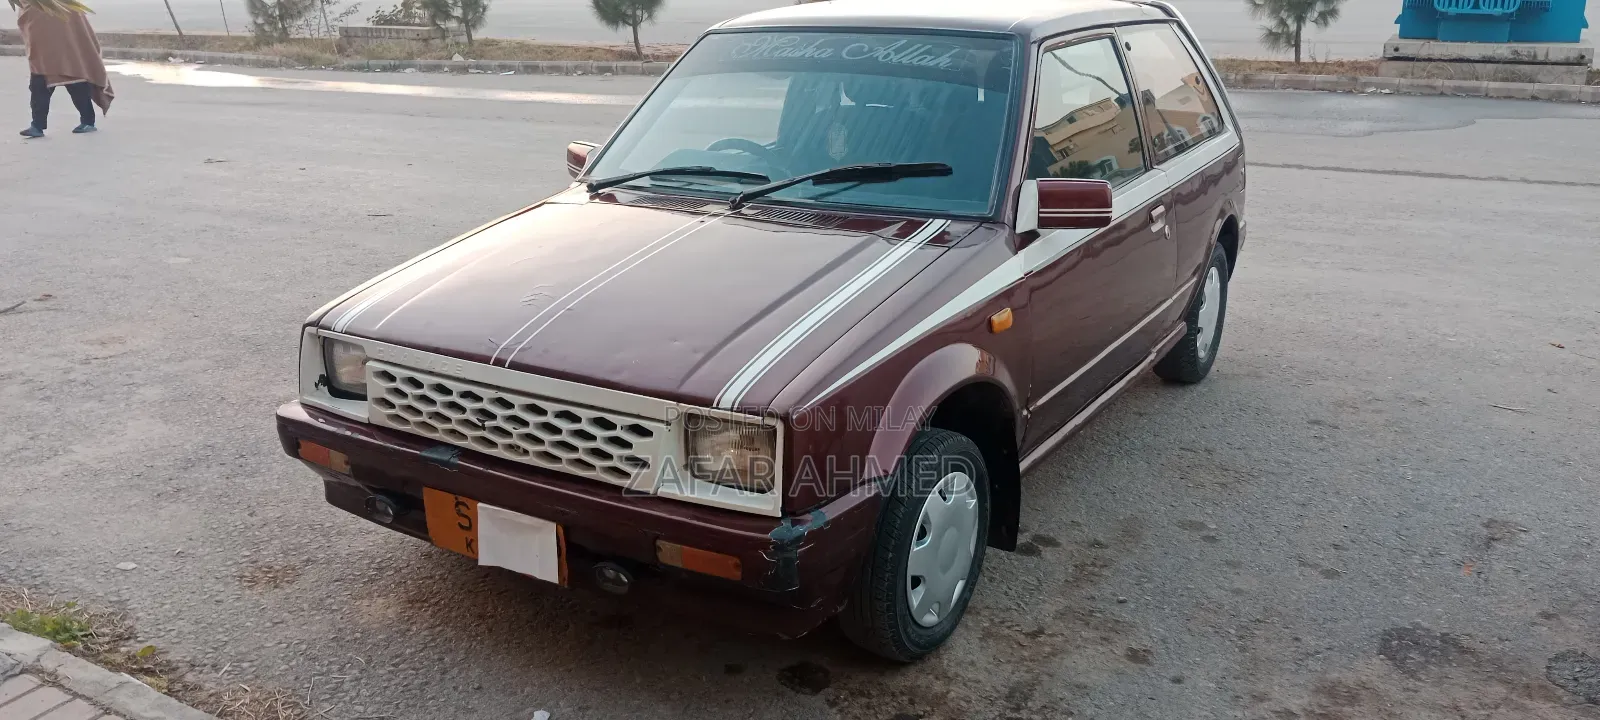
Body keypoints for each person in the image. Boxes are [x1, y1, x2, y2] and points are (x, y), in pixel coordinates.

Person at [15, 0, 113, 138]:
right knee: (39, 85)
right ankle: (37, 125)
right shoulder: (32, 4)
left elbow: (76, 25)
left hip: (68, 53)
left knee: (76, 83)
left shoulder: (61, 3)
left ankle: (88, 121)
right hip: (43, 55)